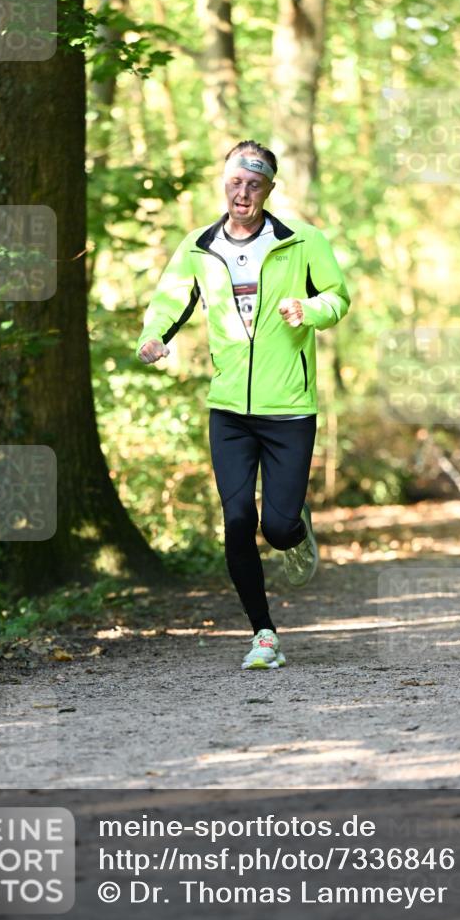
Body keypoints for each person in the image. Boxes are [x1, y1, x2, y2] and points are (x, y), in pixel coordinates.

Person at [137, 140, 351, 670]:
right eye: (236, 182)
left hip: (289, 408)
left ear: (269, 189)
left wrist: (309, 309)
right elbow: (171, 299)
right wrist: (154, 337)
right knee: (236, 521)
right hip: (229, 409)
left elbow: (337, 297)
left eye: (255, 184)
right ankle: (264, 633)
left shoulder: (302, 241)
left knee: (276, 528)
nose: (243, 193)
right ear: (224, 183)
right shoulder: (199, 245)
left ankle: (295, 526)